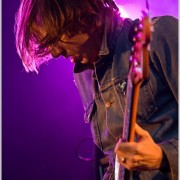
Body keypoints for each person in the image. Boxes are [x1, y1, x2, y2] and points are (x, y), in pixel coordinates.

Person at [14, 0, 178, 179]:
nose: (55, 53)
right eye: (48, 45)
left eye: (56, 38)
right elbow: (115, 161)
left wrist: (163, 157)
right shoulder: (83, 74)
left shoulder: (161, 35)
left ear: (86, 16)